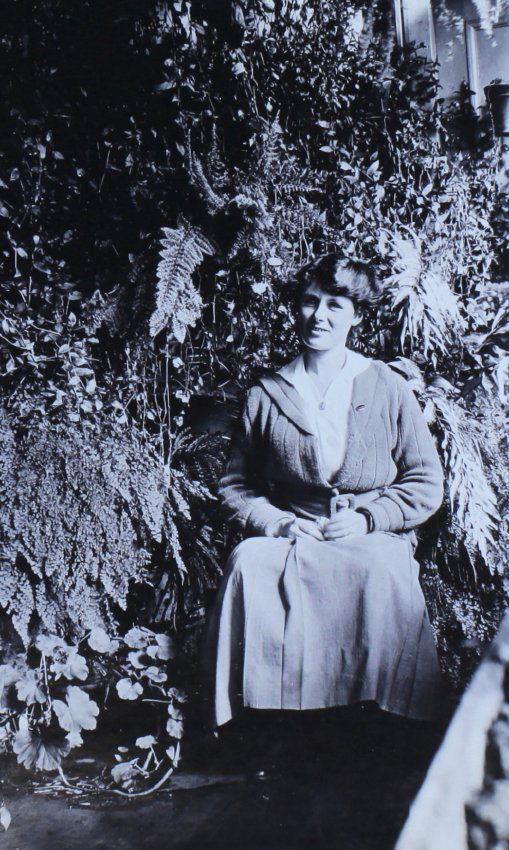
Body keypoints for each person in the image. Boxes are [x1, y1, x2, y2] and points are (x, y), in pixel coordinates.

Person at [204, 254, 444, 731]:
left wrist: (369, 518)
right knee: (248, 562)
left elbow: (425, 481)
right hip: (297, 532)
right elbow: (235, 485)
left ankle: (380, 726)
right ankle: (265, 724)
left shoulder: (388, 388)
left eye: (335, 306)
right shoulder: (267, 394)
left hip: (369, 533)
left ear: (357, 316)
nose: (319, 316)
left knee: (382, 568)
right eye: (310, 302)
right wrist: (280, 523)